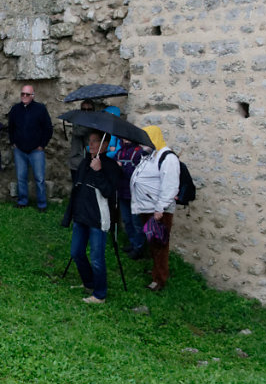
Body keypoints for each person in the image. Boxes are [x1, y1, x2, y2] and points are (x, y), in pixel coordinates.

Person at [63, 130, 120, 304]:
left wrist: (99, 171)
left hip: (97, 218)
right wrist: (70, 215)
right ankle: (89, 283)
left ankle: (100, 294)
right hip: (81, 216)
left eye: (95, 141)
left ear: (104, 145)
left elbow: (108, 191)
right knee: (77, 252)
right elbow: (77, 189)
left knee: (96, 257)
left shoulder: (110, 166)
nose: (91, 144)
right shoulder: (85, 162)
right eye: (90, 141)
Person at [130, 125, 180, 291]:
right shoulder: (150, 156)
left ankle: (159, 279)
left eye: (146, 141)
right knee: (153, 243)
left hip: (159, 210)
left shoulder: (167, 158)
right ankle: (156, 271)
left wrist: (159, 209)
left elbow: (170, 185)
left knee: (160, 245)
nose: (142, 145)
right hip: (147, 208)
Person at [7, 84, 53, 211]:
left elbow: (48, 129)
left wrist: (42, 145)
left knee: (39, 178)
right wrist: (13, 142)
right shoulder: (15, 109)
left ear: (33, 96)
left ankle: (42, 204)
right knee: (21, 177)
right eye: (22, 94)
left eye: (27, 94)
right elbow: (10, 127)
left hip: (36, 151)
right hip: (19, 150)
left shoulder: (40, 109)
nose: (24, 96)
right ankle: (22, 201)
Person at [114, 138, 146, 259]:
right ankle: (133, 243)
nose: (125, 139)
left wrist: (122, 168)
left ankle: (139, 247)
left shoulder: (138, 153)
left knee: (137, 222)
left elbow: (138, 173)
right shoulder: (120, 152)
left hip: (135, 194)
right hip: (122, 192)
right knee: (127, 221)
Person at [67, 98, 96, 182]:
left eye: (89, 110)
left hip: (91, 161)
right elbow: (78, 132)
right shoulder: (78, 121)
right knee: (77, 187)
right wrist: (90, 124)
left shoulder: (97, 123)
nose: (86, 112)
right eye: (84, 109)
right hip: (77, 162)